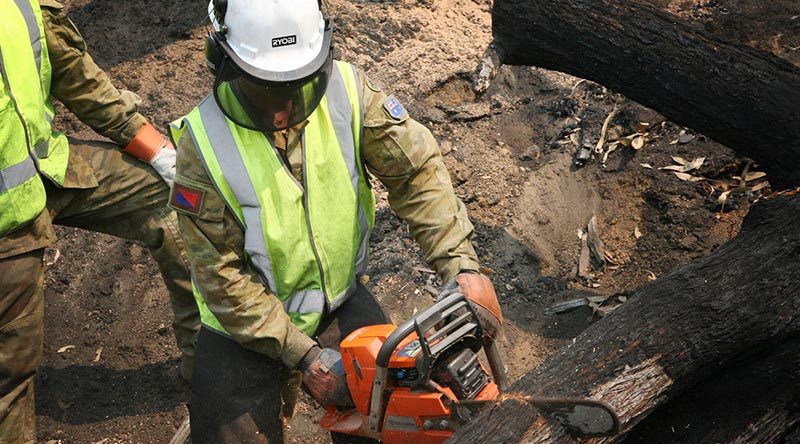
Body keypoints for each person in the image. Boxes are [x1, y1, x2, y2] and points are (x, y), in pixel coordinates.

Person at [169, 0, 503, 442]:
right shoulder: (203, 147)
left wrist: (460, 265)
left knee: (389, 418)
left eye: (297, 85)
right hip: (241, 327)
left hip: (337, 299)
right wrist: (305, 357)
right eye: (264, 87)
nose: (282, 107)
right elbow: (221, 278)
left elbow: (416, 172)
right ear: (224, 61)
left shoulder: (348, 92)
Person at [0, 1, 200, 441]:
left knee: (172, 198)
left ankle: (205, 369)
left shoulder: (18, 6)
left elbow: (77, 77)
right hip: (5, 224)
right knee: (11, 369)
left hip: (44, 166)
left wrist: (160, 154)